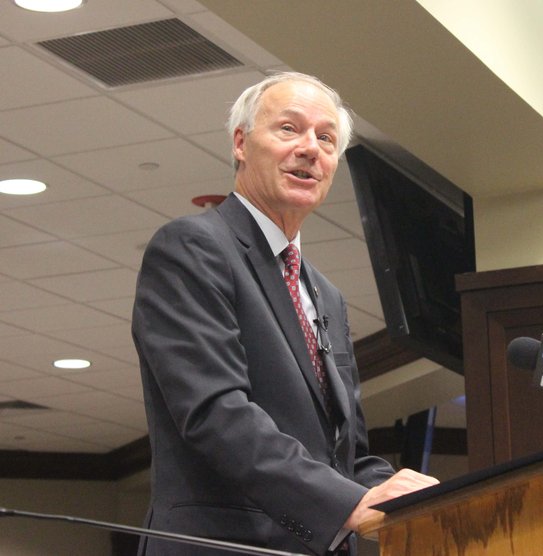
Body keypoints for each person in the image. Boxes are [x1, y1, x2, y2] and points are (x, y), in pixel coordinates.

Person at [132, 71, 439, 556]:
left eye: (326, 138)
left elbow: (346, 455)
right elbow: (216, 414)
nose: (310, 148)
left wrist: (418, 497)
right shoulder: (193, 248)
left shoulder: (326, 295)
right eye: (289, 129)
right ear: (240, 143)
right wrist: (348, 506)